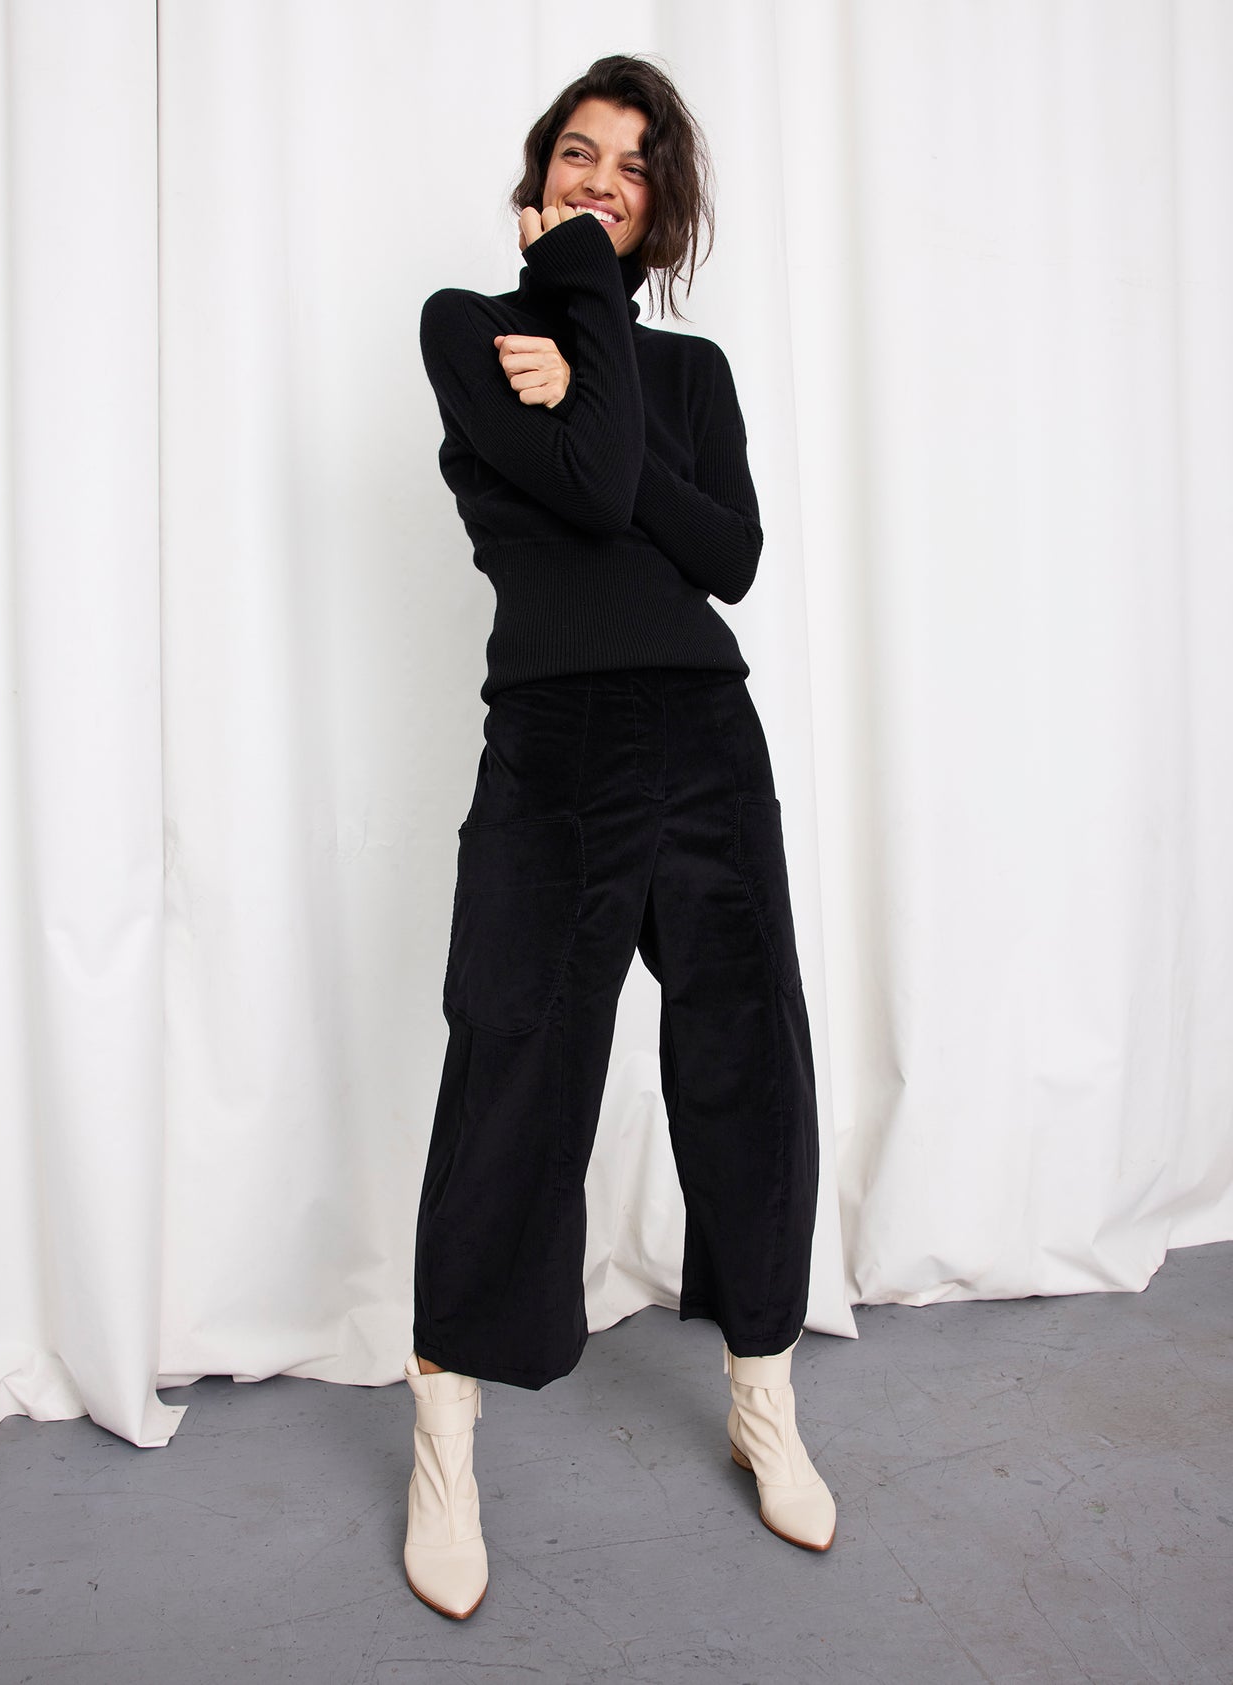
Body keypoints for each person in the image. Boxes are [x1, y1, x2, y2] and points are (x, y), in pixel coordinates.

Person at [403, 53, 836, 1621]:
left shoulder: (694, 368)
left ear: (663, 210)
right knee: (511, 1060)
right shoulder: (469, 334)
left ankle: (764, 1393)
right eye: (578, 157)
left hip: (706, 741)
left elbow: (728, 554)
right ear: (539, 182)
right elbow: (590, 499)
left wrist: (594, 364)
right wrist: (565, 289)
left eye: (630, 170)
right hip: (555, 745)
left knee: (749, 1060)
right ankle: (445, 1427)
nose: (600, 177)